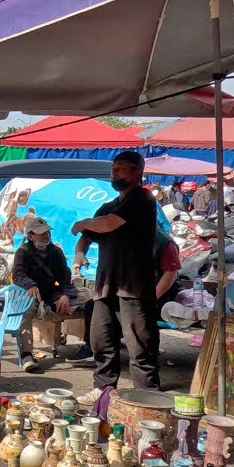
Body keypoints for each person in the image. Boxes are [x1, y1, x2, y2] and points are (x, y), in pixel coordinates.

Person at [71, 150, 160, 404]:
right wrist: (79, 254)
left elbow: (107, 224)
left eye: (121, 168)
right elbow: (87, 237)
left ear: (137, 173)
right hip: (106, 285)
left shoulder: (142, 199)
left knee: (139, 347)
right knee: (101, 340)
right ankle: (103, 389)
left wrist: (82, 222)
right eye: (113, 168)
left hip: (134, 286)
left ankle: (148, 398)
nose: (115, 172)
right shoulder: (109, 205)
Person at [10, 216, 87, 371]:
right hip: (33, 295)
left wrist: (65, 294)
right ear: (31, 236)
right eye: (41, 234)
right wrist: (30, 284)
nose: (46, 236)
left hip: (53, 293)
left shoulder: (55, 251)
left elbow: (65, 275)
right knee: (25, 311)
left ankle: (90, 348)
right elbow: (17, 274)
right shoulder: (23, 252)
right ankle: (27, 354)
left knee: (90, 297)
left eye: (47, 233)